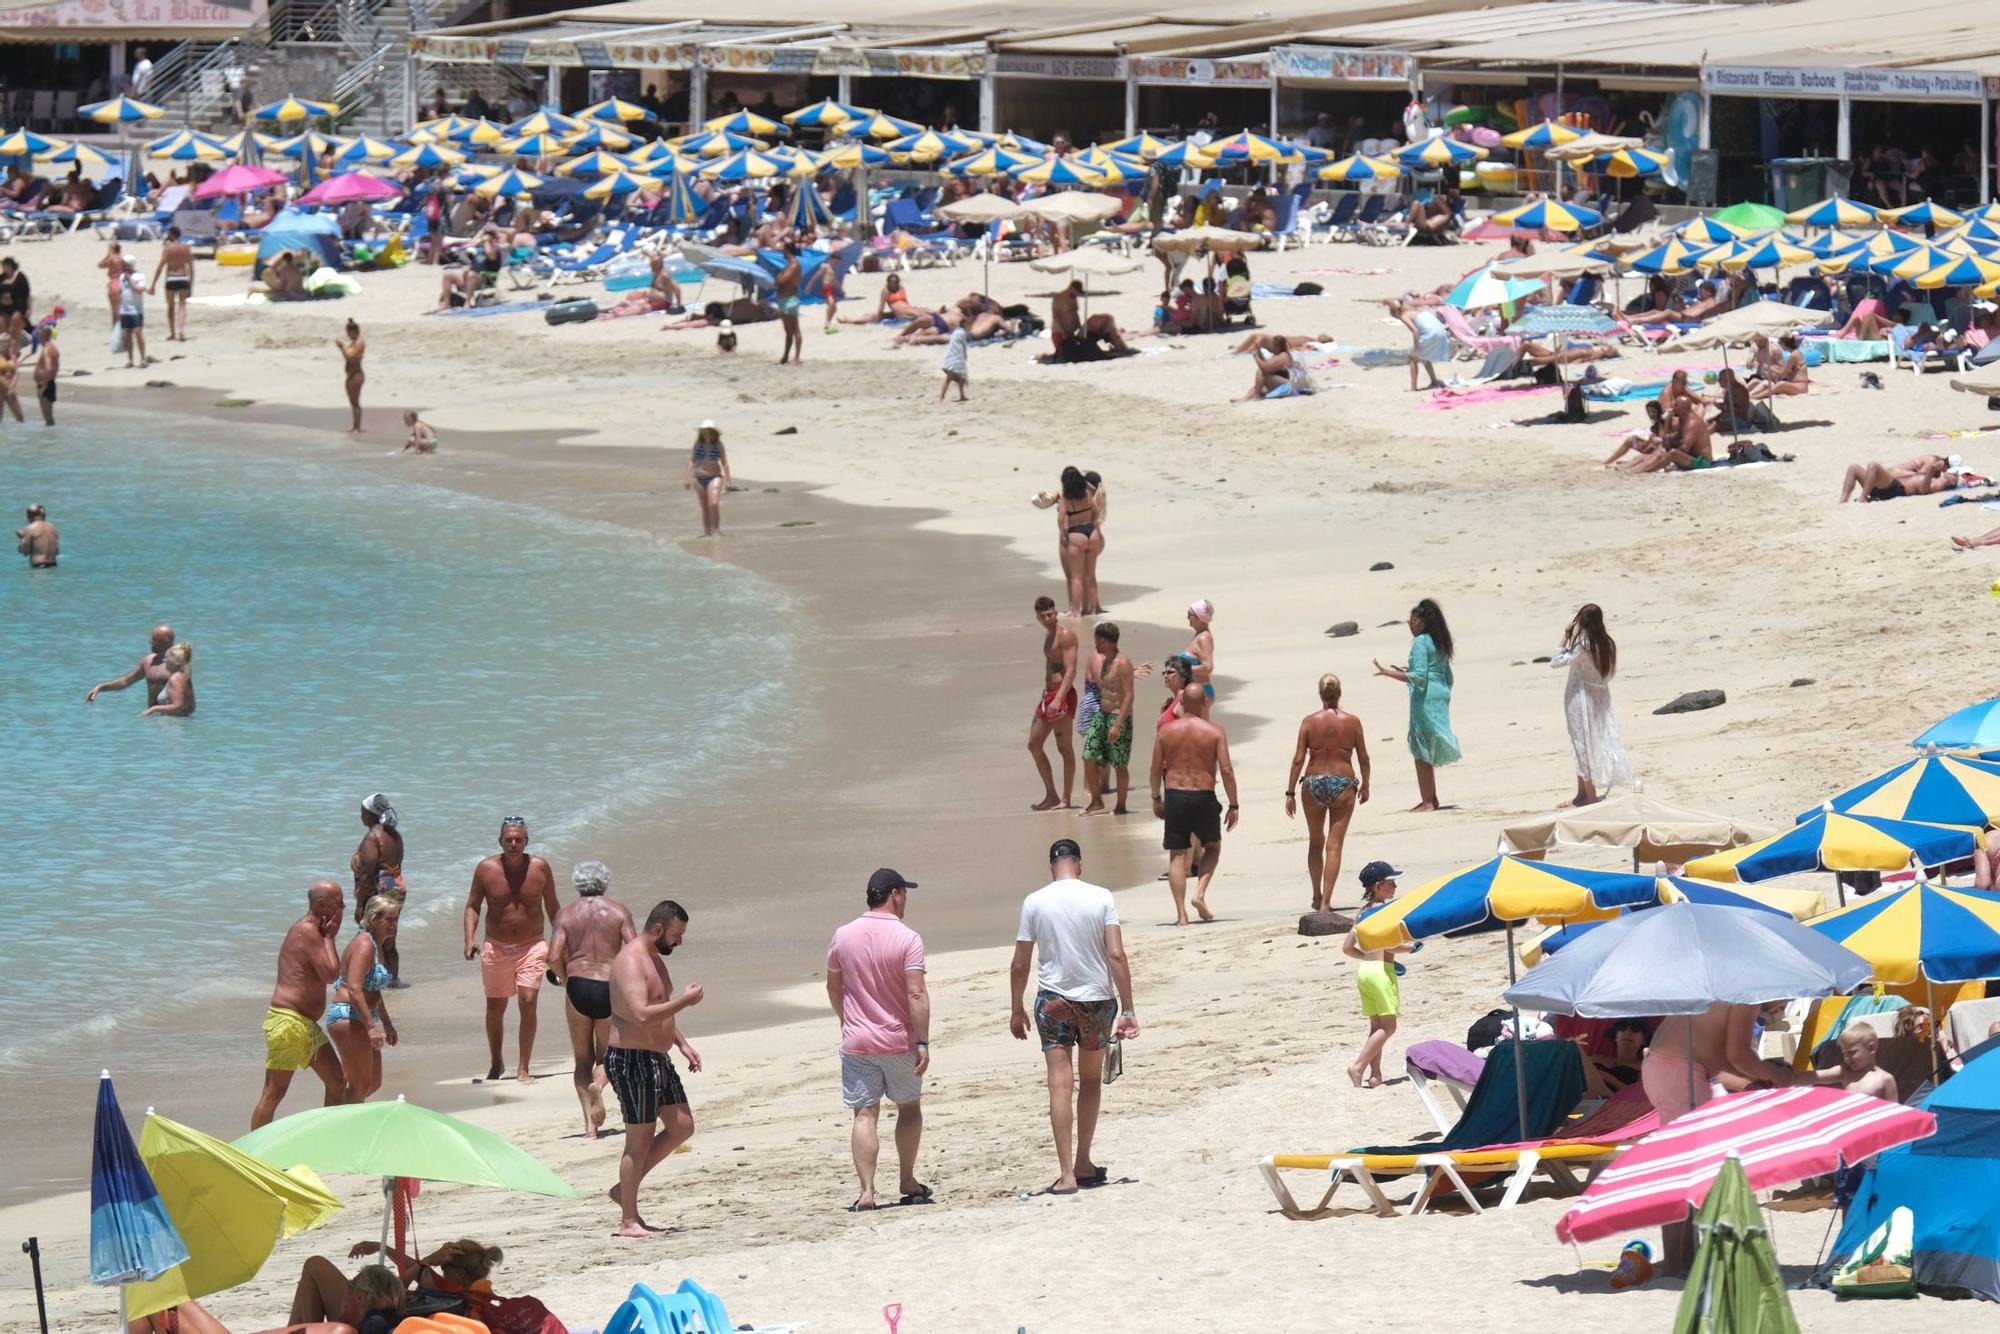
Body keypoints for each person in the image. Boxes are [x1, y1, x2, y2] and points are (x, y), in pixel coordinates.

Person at [1009, 839, 1139, 1195]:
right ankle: (1083, 1161)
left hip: (1053, 1001)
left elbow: (1020, 963)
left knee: (1059, 1085)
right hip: (1097, 1000)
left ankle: (1067, 1174)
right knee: (1091, 1081)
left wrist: (1016, 1007)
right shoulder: (1101, 897)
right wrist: (1127, 1008)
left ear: (1051, 866)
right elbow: (1116, 955)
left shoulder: (1035, 901)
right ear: (1079, 865)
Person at [1643, 1001, 1797, 1273]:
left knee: (1690, 1170)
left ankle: (1684, 1259)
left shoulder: (1725, 993)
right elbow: (1739, 1056)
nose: (1782, 1006)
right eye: (1784, 1000)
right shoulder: (1747, 996)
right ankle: (1677, 1263)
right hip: (1677, 1071)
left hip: (1670, 1068)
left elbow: (1715, 1059)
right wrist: (1777, 1074)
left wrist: (1750, 1083)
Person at [826, 868, 931, 1211]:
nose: (906, 902)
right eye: (905, 894)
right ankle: (906, 1179)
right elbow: (915, 993)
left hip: (858, 1041)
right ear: (895, 893)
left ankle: (867, 1192)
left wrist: (847, 1020)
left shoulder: (843, 935)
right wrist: (923, 1042)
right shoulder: (907, 938)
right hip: (898, 1039)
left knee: (864, 1115)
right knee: (909, 1107)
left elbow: (833, 986)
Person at [605, 900, 703, 1239]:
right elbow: (642, 1013)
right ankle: (628, 1220)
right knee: (639, 1140)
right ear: (658, 929)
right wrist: (686, 1001)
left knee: (682, 1126)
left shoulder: (656, 961)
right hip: (631, 1059)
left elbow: (660, 1009)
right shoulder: (631, 962)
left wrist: (681, 1043)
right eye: (676, 935)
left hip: (656, 1058)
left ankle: (624, 1191)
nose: (680, 941)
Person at [464, 816, 561, 1083]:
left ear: (526, 841)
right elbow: (473, 906)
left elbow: (553, 907)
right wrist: (469, 938)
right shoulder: (486, 869)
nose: (514, 844)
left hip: (532, 945)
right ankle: (496, 1063)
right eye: (509, 840)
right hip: (496, 946)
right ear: (500, 842)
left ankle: (523, 1068)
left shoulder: (540, 868)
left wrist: (562, 942)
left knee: (528, 1001)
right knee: (495, 1007)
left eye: (519, 839)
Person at [546, 859, 636, 1138]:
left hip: (578, 987)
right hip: (609, 986)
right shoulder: (618, 911)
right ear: (604, 882)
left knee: (582, 1059)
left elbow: (552, 957)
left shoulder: (565, 914)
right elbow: (634, 949)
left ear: (577, 884)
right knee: (608, 1055)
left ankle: (589, 1127)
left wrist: (564, 979)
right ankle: (601, 1082)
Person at [252, 881, 348, 1129]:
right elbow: (330, 975)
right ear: (320, 905)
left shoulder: (318, 931)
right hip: (288, 1022)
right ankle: (254, 1154)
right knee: (274, 1093)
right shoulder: (308, 931)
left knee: (337, 1081)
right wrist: (331, 938)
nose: (343, 908)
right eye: (338, 903)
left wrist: (328, 936)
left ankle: (329, 1140)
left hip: (304, 1025)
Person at [1152, 684, 1240, 926]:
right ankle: (1199, 893)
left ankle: (1181, 916)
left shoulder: (1166, 731)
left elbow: (1155, 768)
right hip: (1203, 794)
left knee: (1177, 855)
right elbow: (1227, 770)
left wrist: (1155, 798)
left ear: (1182, 703)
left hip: (1175, 795)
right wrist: (1234, 804)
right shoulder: (1214, 731)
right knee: (1212, 847)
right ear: (1204, 703)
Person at [1285, 674, 1370, 913]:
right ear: (1339, 693)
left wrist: (1290, 792)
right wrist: (1366, 784)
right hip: (1342, 783)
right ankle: (1325, 903)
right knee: (1334, 845)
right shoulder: (1352, 722)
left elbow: (1298, 759)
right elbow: (1363, 757)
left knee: (1315, 841)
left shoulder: (1309, 722)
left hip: (1313, 782)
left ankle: (1315, 894)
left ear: (1320, 694)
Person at [292, 1240, 503, 1329]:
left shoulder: (448, 1294)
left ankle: (310, 1331)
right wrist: (381, 1247)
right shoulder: (465, 1295)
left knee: (315, 1265)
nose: (441, 1267)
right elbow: (417, 1268)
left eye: (445, 1265)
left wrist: (429, 1259)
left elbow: (396, 1286)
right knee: (308, 1282)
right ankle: (293, 1330)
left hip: (366, 1314)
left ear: (459, 1273)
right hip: (377, 1316)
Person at [1373, 599, 1459, 812]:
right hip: (1440, 695)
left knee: (1420, 747)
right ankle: (1432, 798)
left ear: (1423, 622)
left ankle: (1428, 801)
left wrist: (1389, 673)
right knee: (1427, 744)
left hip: (1426, 696)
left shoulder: (1421, 641)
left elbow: (1420, 677)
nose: (1410, 625)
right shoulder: (1439, 641)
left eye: (1413, 620)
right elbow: (1446, 675)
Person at [1342, 862, 1413, 1087]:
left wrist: (1369, 959)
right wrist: (1411, 947)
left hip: (1365, 972)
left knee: (1376, 1028)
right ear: (1379, 886)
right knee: (1389, 1027)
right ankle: (1358, 1066)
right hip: (1382, 972)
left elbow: (1347, 948)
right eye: (1391, 883)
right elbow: (1390, 945)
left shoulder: (1362, 913)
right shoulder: (1386, 909)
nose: (1395, 887)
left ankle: (1375, 1075)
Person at [1553, 603, 1630, 807]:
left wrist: (1566, 635)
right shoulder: (1607, 643)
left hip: (1581, 697)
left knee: (1581, 744)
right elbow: (1609, 673)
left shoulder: (1584, 646)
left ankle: (1590, 795)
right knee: (1586, 742)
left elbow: (1556, 661)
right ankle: (1581, 794)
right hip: (1600, 697)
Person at [326, 894, 399, 1103]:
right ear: (374, 918)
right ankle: (342, 1131)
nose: (394, 924)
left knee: (373, 1083)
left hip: (364, 1015)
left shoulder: (376, 945)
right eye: (389, 919)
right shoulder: (364, 944)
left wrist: (387, 1023)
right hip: (348, 1015)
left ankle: (335, 1118)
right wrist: (371, 1027)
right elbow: (354, 987)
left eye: (396, 919)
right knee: (360, 1085)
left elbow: (374, 989)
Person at [1079, 622, 1136, 816]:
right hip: (1101, 715)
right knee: (1088, 755)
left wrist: (1118, 724)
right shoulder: (1105, 661)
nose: (1095, 643)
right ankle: (1097, 801)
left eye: (1097, 640)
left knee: (1119, 763)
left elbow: (1129, 695)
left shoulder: (1123, 663)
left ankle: (1121, 806)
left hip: (1118, 716)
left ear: (1105, 641)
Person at [1029, 595, 1079, 811]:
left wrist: (1059, 698)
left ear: (1055, 612)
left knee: (1064, 748)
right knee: (1034, 744)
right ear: (1038, 617)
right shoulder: (1048, 637)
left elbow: (1071, 670)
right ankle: (1051, 794)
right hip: (1048, 695)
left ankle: (1065, 799)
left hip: (1061, 696)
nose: (1047, 619)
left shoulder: (1065, 635)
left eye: (1050, 614)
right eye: (1043, 616)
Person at [351, 793, 406, 981]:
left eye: (362, 811)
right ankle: (393, 982)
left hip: (379, 891)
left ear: (370, 814)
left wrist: (359, 905)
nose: (360, 815)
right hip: (396, 887)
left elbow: (367, 874)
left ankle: (375, 983)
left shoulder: (372, 837)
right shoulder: (394, 835)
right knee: (389, 940)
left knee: (371, 938)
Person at [87, 624, 179, 706]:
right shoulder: (148, 661)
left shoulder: (178, 664)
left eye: (154, 639)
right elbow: (126, 681)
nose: (150, 642)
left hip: (173, 718)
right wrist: (100, 688)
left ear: (166, 642)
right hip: (152, 716)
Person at [1058, 465, 1104, 617]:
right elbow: (1096, 511)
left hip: (1076, 534)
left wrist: (1065, 535)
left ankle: (1076, 611)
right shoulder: (1086, 492)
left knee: (1076, 577)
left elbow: (1061, 519)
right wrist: (1093, 525)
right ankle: (1096, 607)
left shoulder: (1066, 497)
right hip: (1092, 533)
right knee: (1091, 575)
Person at [1581, 1018, 1650, 1097]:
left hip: (1614, 1101)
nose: (1627, 1032)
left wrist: (1606, 1077)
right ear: (1615, 1037)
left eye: (1636, 1029)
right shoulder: (1597, 1058)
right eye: (1622, 1028)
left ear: (1643, 1039)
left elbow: (1638, 1096)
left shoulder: (1643, 1068)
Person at [685, 420, 731, 538]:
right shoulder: (698, 444)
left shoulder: (718, 445)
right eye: (704, 431)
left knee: (713, 504)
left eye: (708, 431)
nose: (706, 433)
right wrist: (687, 478)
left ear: (713, 432)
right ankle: (707, 532)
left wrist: (728, 479)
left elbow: (724, 463)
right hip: (698, 478)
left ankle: (716, 530)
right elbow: (691, 461)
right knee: (705, 507)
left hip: (714, 477)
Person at [1389, 299, 1447, 392]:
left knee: (1413, 359)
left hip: (1430, 333)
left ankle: (1413, 387)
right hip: (1441, 331)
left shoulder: (1404, 316)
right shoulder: (1417, 310)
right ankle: (1434, 381)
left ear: (1396, 312)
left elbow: (1415, 331)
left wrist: (1416, 349)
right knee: (1425, 357)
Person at [149, 226, 194, 342]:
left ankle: (172, 333)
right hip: (183, 277)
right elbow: (191, 268)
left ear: (172, 234)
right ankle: (181, 330)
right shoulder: (185, 248)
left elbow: (160, 267)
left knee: (170, 307)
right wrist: (191, 285)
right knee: (182, 306)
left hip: (171, 278)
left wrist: (153, 284)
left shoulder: (167, 249)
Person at [1747, 333, 1809, 401]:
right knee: (1755, 381)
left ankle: (1755, 396)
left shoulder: (1794, 355)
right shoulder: (1795, 353)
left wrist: (1770, 368)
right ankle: (1747, 394)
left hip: (1800, 385)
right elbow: (1789, 371)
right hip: (1794, 383)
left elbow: (1784, 372)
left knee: (1780, 385)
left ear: (1783, 344)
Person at [140, 642, 196, 717]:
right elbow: (192, 707)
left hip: (172, 725)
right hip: (180, 723)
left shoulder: (175, 678)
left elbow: (177, 706)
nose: (164, 661)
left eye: (167, 658)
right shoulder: (185, 677)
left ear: (174, 661)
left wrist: (153, 709)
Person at [117, 258, 149, 368]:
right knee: (127, 336)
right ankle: (130, 360)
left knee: (138, 333)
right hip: (124, 310)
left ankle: (143, 358)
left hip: (136, 310)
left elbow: (139, 290)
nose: (123, 266)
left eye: (125, 264)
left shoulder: (139, 276)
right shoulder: (121, 277)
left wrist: (130, 280)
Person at [1182, 599, 1216, 701]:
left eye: (1190, 614)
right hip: (1194, 693)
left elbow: (1208, 667)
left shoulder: (1203, 638)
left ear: (1199, 617)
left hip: (1200, 693)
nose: (1187, 617)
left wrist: (1182, 669)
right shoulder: (1198, 636)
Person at [775, 239, 803, 365]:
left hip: (789, 300)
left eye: (783, 249)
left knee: (795, 330)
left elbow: (780, 282)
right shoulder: (789, 266)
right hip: (784, 299)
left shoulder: (794, 266)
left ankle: (796, 357)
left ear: (787, 250)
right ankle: (786, 356)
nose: (782, 252)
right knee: (788, 331)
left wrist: (779, 276)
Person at [336, 320, 365, 434]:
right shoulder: (353, 343)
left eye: (349, 332)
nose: (348, 335)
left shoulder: (359, 343)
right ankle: (354, 426)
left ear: (356, 331)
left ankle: (357, 427)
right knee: (352, 402)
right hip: (350, 375)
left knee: (356, 402)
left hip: (356, 374)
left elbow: (351, 357)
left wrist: (342, 348)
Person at [16, 502, 57, 568]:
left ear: (29, 516)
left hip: (39, 567)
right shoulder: (53, 528)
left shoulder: (30, 528)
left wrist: (22, 541)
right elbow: (56, 551)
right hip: (53, 564)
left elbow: (25, 552)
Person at [938, 323, 970, 402]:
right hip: (956, 359)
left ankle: (961, 396)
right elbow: (963, 345)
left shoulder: (956, 332)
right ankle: (942, 397)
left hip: (952, 357)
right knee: (951, 378)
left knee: (958, 379)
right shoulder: (962, 333)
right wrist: (965, 356)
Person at [32, 326, 57, 426]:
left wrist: (43, 386)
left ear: (45, 335)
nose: (38, 336)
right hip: (49, 382)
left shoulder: (47, 350)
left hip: (45, 384)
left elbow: (49, 368)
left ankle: (50, 439)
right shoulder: (52, 348)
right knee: (48, 417)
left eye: (39, 334)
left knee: (48, 417)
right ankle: (50, 439)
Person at [0, 256, 31, 336]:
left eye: (4, 265)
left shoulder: (20, 277)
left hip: (18, 307)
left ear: (10, 266)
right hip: (3, 307)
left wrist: (29, 308)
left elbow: (27, 294)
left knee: (14, 326)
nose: (2, 267)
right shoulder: (2, 277)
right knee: (2, 326)